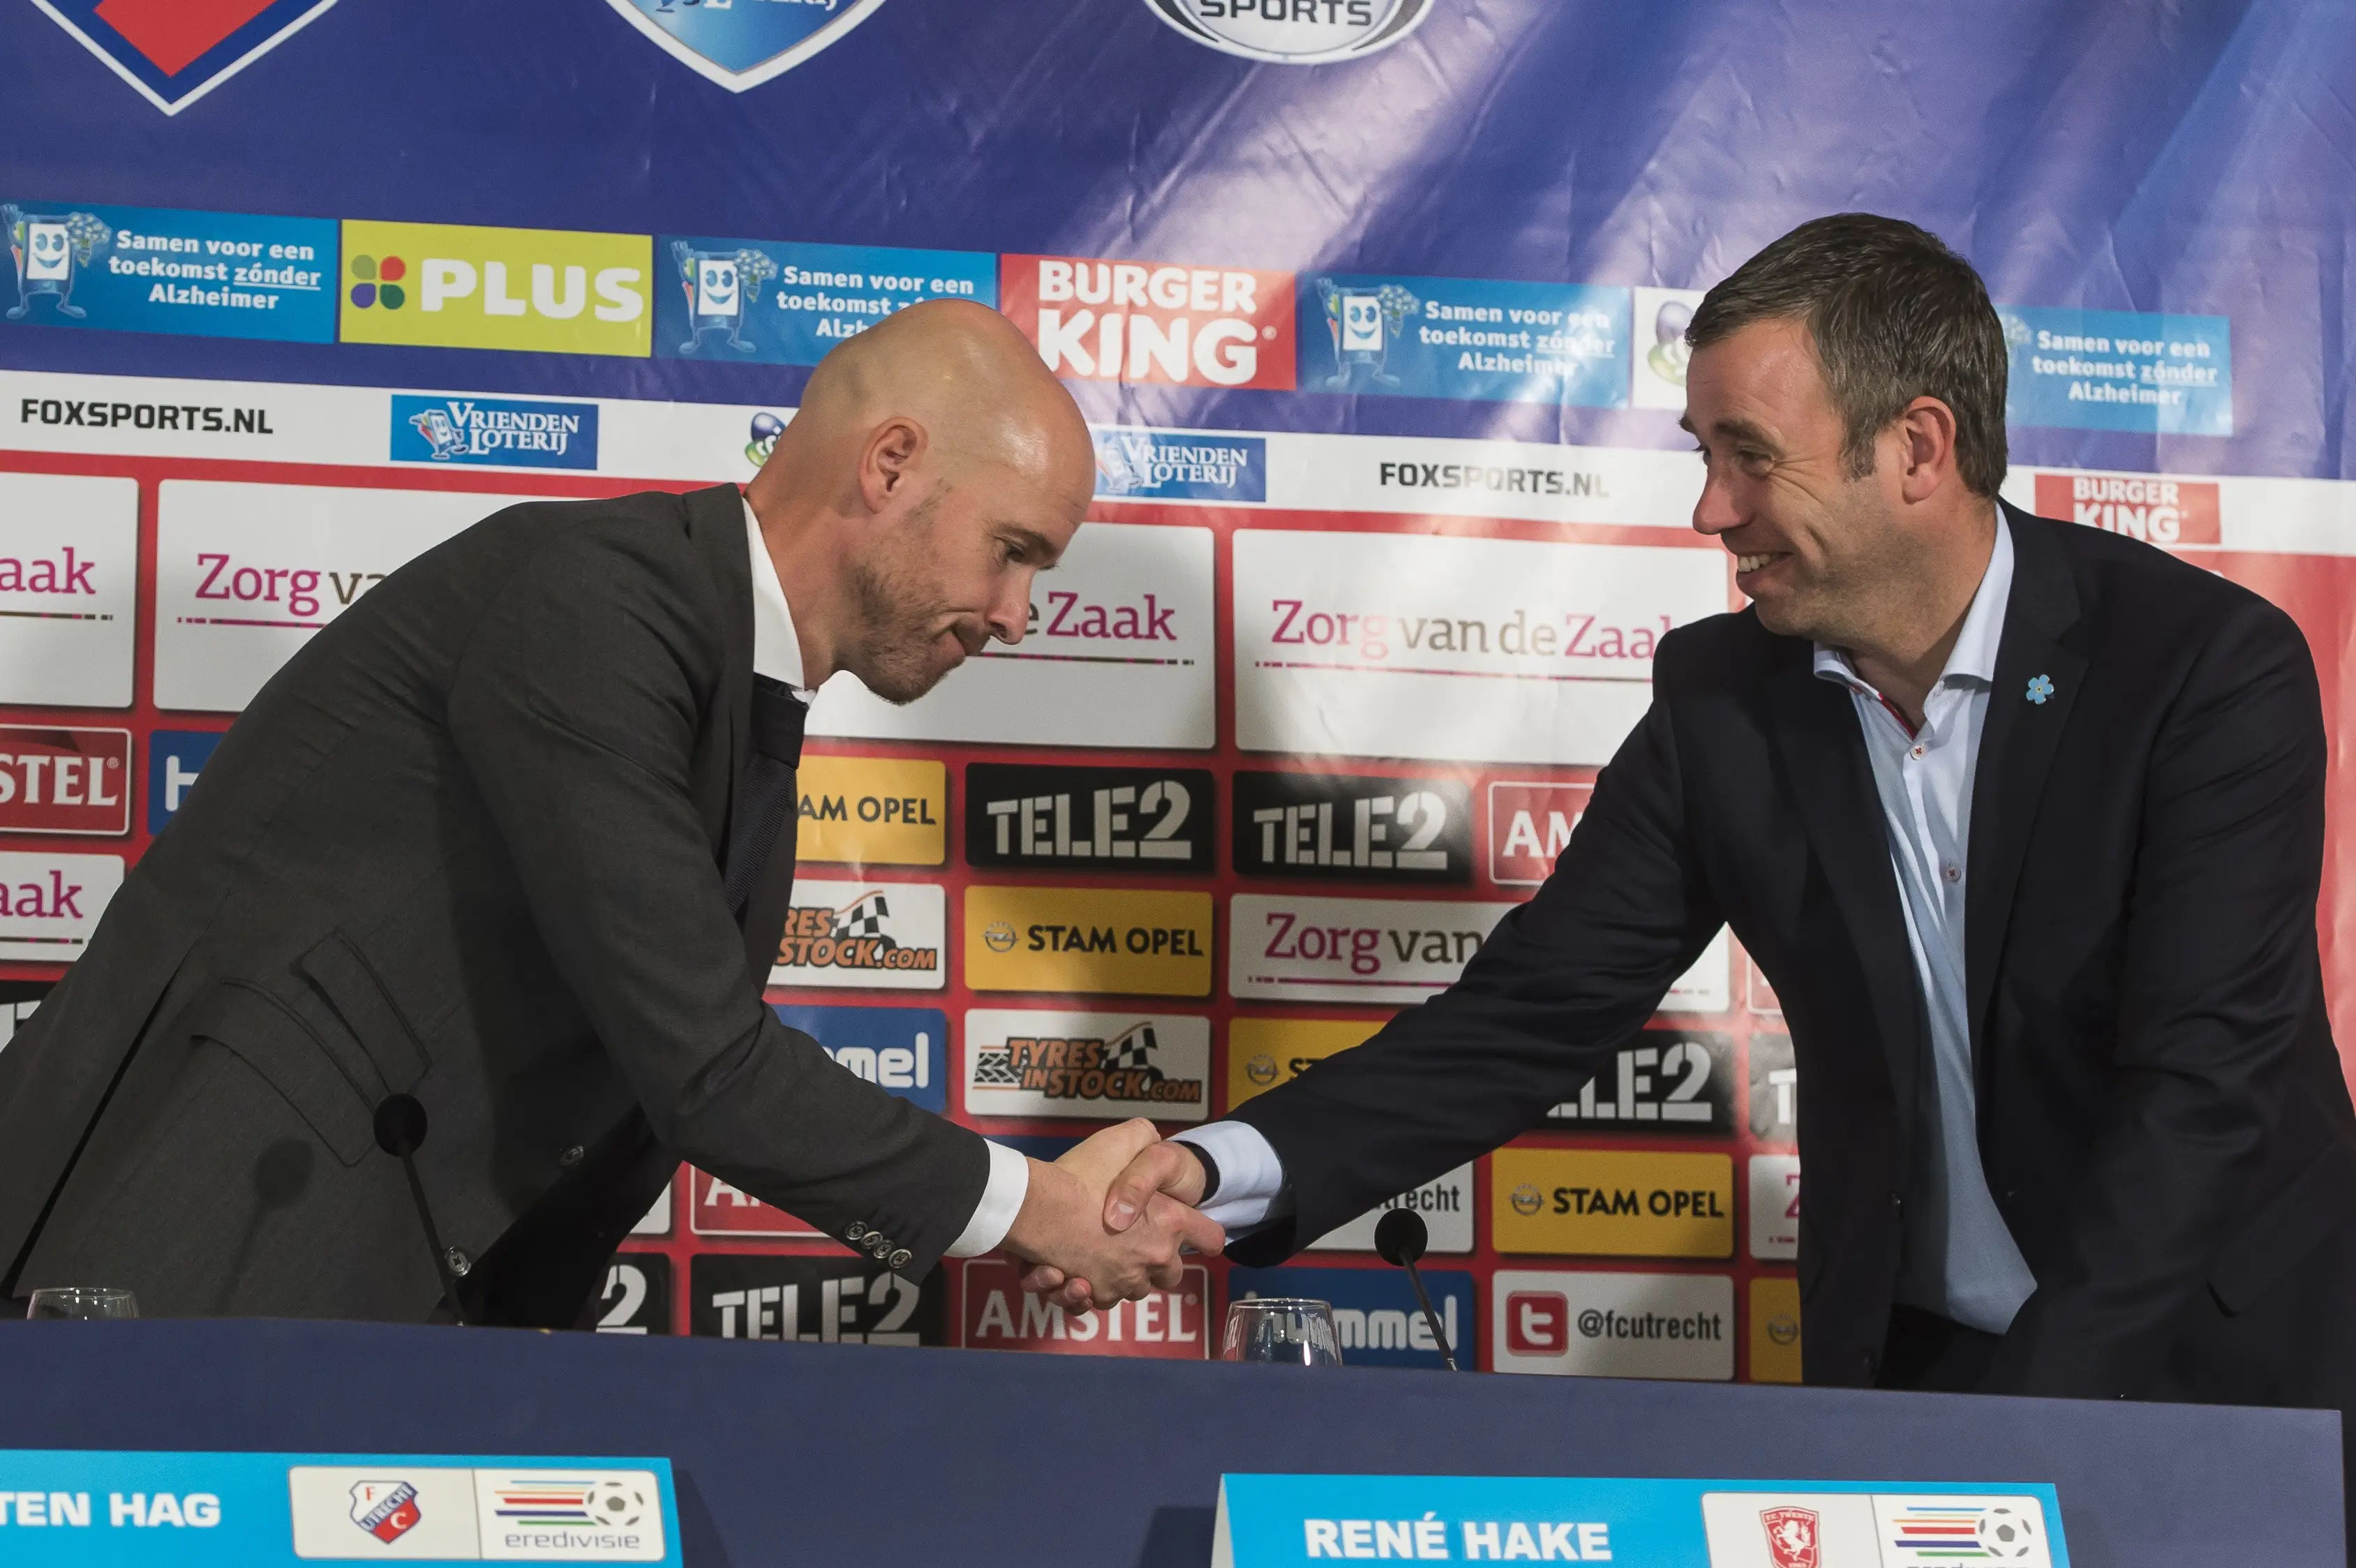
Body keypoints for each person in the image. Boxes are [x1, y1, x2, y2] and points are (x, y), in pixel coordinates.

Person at [1059, 214, 2356, 1522]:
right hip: (1918, 1376)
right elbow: (1529, 1014)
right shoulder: (1722, 701)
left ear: (1917, 447)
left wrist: (2016, 1449)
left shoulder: (2203, 671)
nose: (1709, 508)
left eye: (1750, 458)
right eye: (1704, 453)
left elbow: (2200, 1100)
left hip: (2211, 1369)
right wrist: (1223, 1166)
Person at [0, 299, 1219, 1325]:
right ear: (890, 463)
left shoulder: (742, 693)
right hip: (197, 1283)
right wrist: (1034, 1207)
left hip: (405, 1353)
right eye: (1012, 550)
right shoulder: (600, 600)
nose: (1015, 614)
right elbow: (707, 1067)